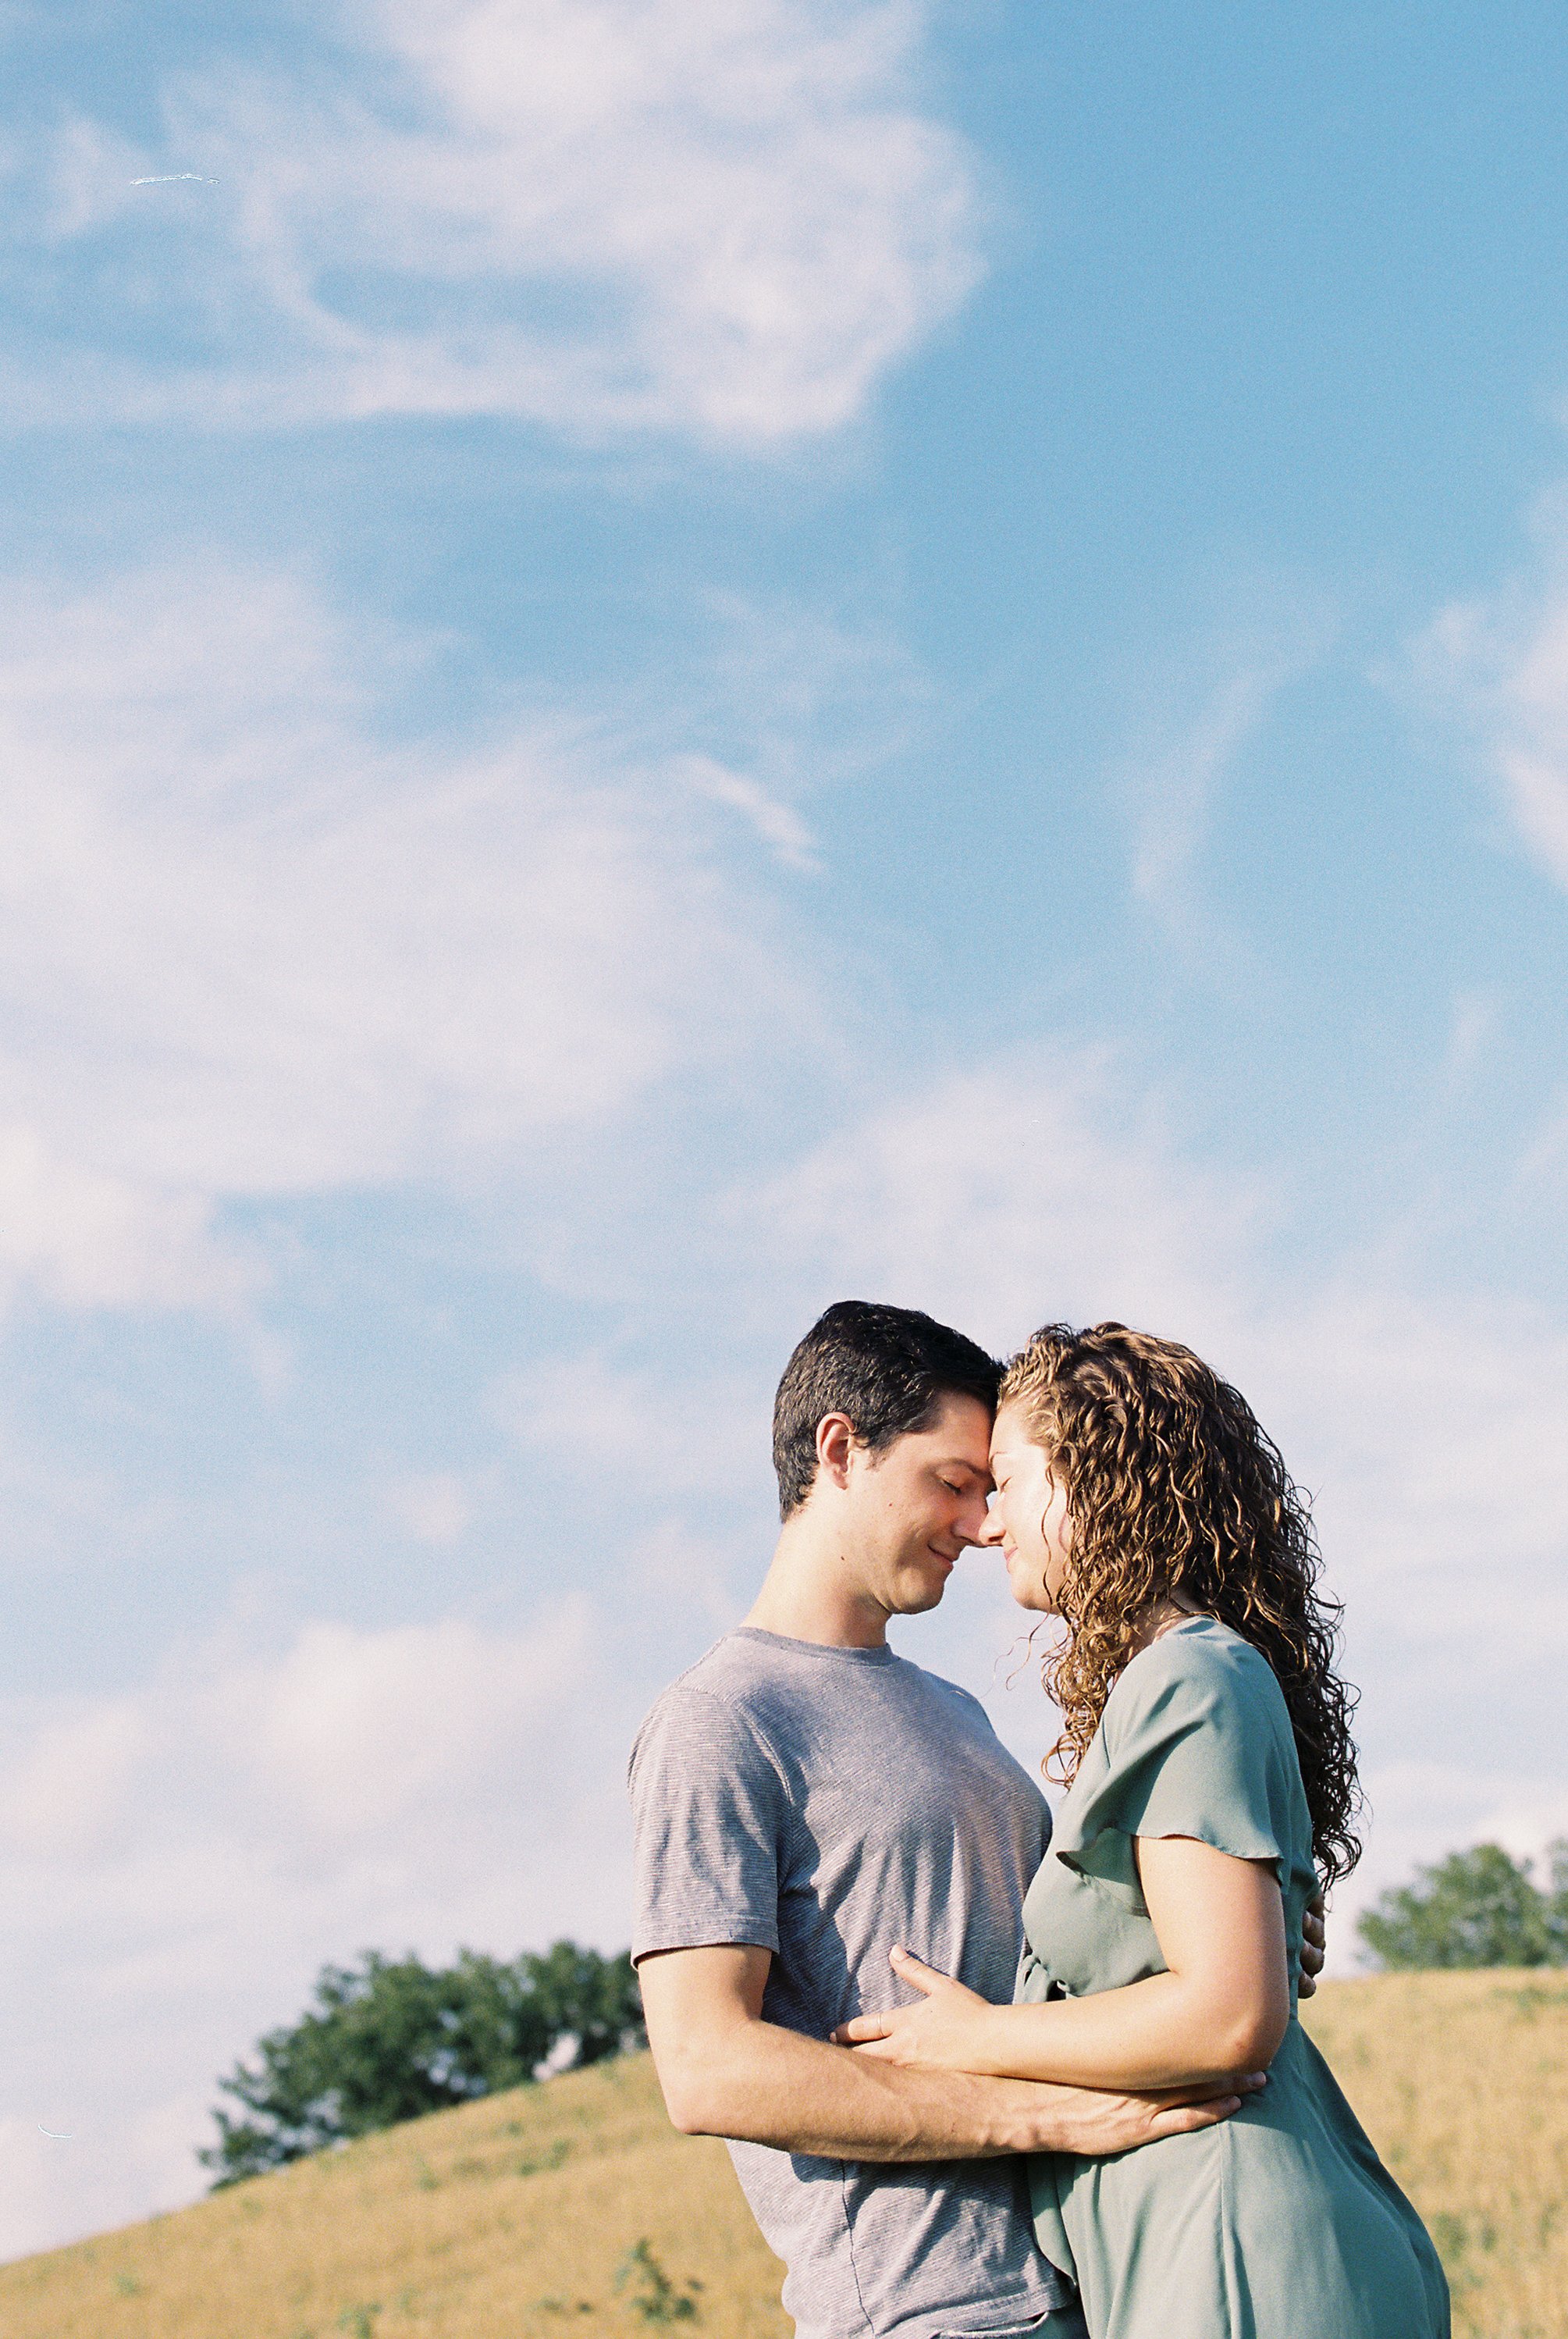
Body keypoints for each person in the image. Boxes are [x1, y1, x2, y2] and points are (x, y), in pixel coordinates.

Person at [629, 1304, 1317, 2339]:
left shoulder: (957, 1716)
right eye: (952, 1483)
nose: (978, 1523)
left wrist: (1240, 1926)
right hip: (936, 2312)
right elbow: (705, 2066)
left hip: (1108, 2273)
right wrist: (1034, 2115)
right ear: (839, 1449)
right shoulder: (721, 1720)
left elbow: (1076, 1963)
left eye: (993, 1491)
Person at [835, 1322, 1449, 2339]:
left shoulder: (1188, 1676)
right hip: (1201, 2243)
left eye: (1011, 1483)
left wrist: (975, 2040)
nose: (988, 1526)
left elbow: (1224, 2020)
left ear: (1095, 1481)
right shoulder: (1176, 1678)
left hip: (1232, 2246)